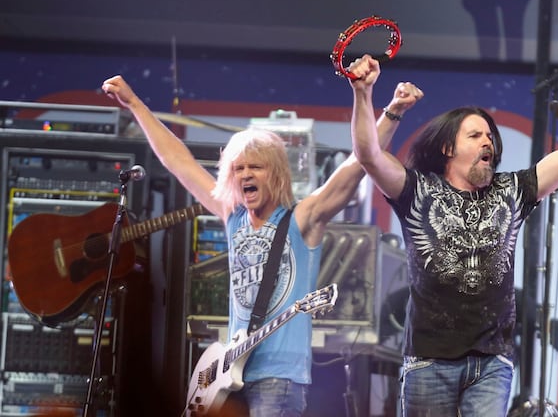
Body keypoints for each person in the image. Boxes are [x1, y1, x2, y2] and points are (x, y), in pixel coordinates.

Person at [101, 74, 423, 416]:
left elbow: (357, 165)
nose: (245, 174)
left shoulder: (303, 218)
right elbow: (178, 162)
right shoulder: (232, 217)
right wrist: (135, 104)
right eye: (238, 168)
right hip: (228, 374)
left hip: (280, 379)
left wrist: (392, 112)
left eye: (256, 167)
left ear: (278, 174)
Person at [347, 25, 558, 416]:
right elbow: (369, 154)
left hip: (492, 362)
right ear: (448, 147)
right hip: (428, 360)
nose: (487, 141)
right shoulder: (416, 190)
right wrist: (363, 92)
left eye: (489, 135)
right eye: (475, 135)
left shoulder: (512, 190)